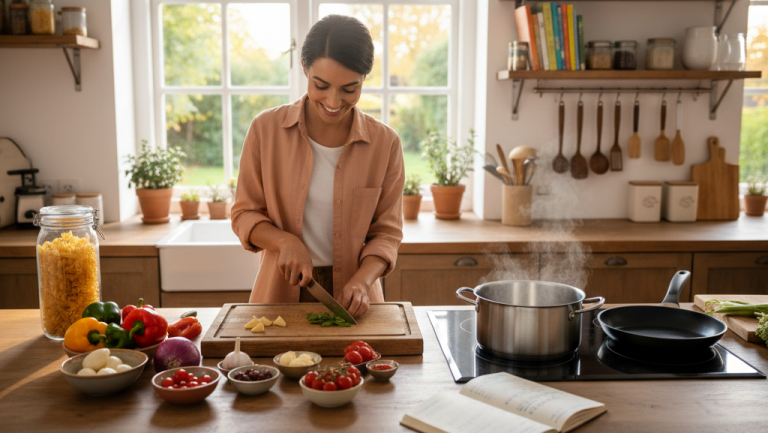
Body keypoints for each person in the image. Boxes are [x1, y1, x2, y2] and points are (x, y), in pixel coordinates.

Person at [231, 14, 405, 319]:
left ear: (364, 78)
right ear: (304, 69)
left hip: (356, 302)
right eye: (321, 85)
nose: (333, 101)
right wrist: (284, 241)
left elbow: (387, 234)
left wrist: (364, 281)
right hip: (278, 299)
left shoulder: (385, 144)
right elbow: (244, 214)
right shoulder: (265, 130)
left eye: (349, 89)